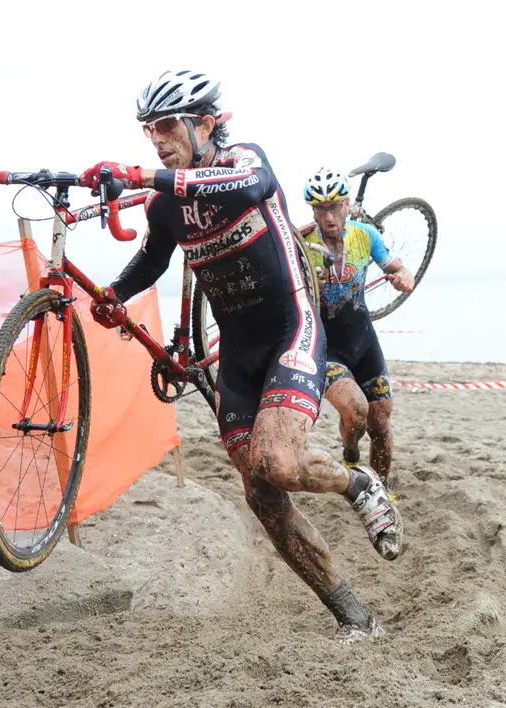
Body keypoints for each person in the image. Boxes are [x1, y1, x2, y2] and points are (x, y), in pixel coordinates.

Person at [79, 70, 403, 640]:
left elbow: (252, 190)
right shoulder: (166, 205)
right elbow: (153, 261)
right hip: (238, 357)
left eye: (167, 126)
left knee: (277, 460)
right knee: (263, 495)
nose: (156, 139)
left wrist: (145, 176)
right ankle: (355, 618)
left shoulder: (243, 162)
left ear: (206, 124)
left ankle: (360, 485)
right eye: (148, 129)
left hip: (290, 330)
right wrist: (113, 296)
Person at [302, 168, 415, 482]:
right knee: (356, 415)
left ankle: (379, 490)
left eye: (335, 206)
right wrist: (309, 282)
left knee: (380, 421)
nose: (329, 216)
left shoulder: (366, 236)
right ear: (312, 210)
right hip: (328, 347)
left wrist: (404, 277)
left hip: (363, 341)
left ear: (347, 204)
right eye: (321, 209)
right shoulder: (302, 243)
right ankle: (350, 448)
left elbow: (399, 268)